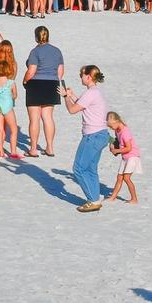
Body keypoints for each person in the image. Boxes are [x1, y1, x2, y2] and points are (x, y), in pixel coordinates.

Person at [59, 65, 109, 213]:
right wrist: (72, 95)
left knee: (79, 168)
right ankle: (95, 197)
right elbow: (83, 104)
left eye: (81, 75)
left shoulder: (91, 93)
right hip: (101, 135)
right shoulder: (96, 92)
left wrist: (66, 97)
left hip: (92, 136)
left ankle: (92, 200)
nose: (80, 77)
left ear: (88, 77)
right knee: (91, 169)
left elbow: (72, 110)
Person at [22, 26, 63, 157]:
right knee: (48, 117)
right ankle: (50, 147)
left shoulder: (35, 51)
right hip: (52, 83)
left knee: (34, 119)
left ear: (36, 37)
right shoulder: (57, 51)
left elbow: (32, 70)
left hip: (36, 83)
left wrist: (24, 81)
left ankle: (33, 149)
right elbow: (60, 72)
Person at [0, 40, 20, 158]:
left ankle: (0, 150)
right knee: (13, 128)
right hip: (7, 102)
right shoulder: (13, 64)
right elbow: (14, 92)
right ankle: (13, 151)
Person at [104, 111, 140, 203]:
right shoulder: (117, 130)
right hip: (125, 157)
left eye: (111, 126)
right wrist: (112, 144)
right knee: (119, 177)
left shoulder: (125, 132)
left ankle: (134, 199)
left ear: (116, 121)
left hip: (132, 157)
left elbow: (128, 148)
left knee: (126, 178)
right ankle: (113, 197)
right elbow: (117, 141)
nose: (111, 128)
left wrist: (117, 151)